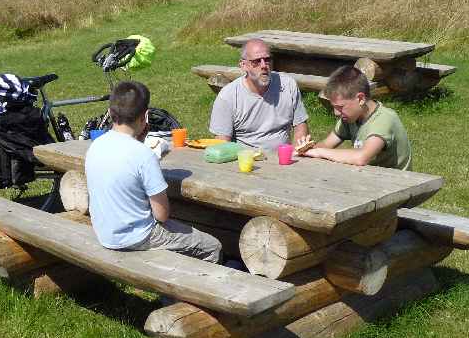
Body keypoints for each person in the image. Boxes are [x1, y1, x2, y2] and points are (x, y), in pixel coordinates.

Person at [85, 80, 222, 263]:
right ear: (145, 116)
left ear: (110, 113)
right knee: (212, 246)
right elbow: (161, 214)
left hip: (106, 234)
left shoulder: (96, 145)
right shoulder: (143, 155)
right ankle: (187, 289)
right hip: (137, 237)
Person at [208, 38, 310, 152]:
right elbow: (222, 144)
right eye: (256, 61)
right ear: (243, 65)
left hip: (283, 160)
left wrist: (297, 154)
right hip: (247, 163)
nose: (263, 65)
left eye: (267, 59)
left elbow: (300, 126)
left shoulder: (288, 85)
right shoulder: (228, 96)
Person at [302, 65, 412, 170]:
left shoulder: (384, 120)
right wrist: (309, 148)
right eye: (334, 107)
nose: (336, 113)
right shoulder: (350, 117)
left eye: (340, 107)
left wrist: (320, 152)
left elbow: (361, 157)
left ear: (360, 99)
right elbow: (326, 144)